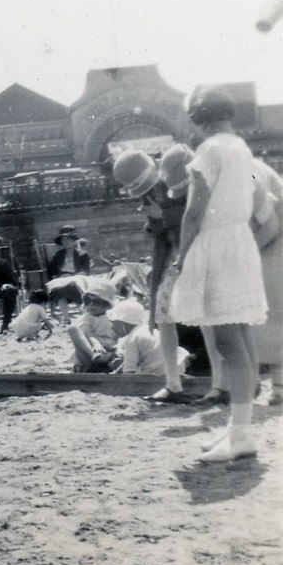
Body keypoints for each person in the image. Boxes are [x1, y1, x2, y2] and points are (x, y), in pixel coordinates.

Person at [171, 87, 267, 462]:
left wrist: (183, 256)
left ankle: (241, 435)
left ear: (201, 118)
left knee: (228, 341)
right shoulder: (240, 147)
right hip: (239, 242)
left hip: (218, 245)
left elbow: (194, 212)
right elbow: (256, 201)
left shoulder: (209, 150)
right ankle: (238, 427)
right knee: (240, 334)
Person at [112, 146, 198, 404]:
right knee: (163, 315)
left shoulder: (178, 176)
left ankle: (223, 386)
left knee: (210, 318)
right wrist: (155, 285)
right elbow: (160, 240)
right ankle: (173, 385)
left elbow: (197, 216)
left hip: (198, 250)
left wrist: (163, 215)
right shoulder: (148, 195)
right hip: (174, 255)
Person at [249, 158, 283, 406]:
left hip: (276, 239)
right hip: (270, 237)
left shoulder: (246, 173)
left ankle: (279, 387)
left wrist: (247, 252)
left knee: (273, 314)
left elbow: (271, 223)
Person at [108, 299, 178, 376]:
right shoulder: (152, 331)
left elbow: (129, 373)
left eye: (114, 323)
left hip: (152, 378)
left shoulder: (132, 339)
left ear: (123, 322)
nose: (112, 327)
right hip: (171, 374)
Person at [67, 279, 119, 373]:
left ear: (106, 304)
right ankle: (95, 358)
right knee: (73, 328)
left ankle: (105, 363)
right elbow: (86, 332)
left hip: (107, 353)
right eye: (87, 301)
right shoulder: (87, 317)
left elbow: (117, 335)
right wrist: (95, 343)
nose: (91, 305)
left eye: (96, 302)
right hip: (89, 354)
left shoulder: (112, 317)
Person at [46, 225, 91, 324]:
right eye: (63, 239)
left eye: (68, 239)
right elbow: (52, 269)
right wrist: (58, 276)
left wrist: (73, 276)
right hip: (62, 279)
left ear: (74, 240)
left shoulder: (83, 254)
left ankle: (85, 315)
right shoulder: (59, 255)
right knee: (57, 288)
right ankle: (66, 318)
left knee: (69, 286)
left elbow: (85, 271)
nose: (65, 242)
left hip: (77, 279)